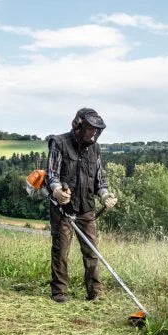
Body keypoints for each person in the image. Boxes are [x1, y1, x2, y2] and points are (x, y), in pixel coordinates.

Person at [45, 108, 118, 303]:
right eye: (89, 128)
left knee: (91, 251)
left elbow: (99, 182)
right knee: (61, 250)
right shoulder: (59, 143)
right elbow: (52, 175)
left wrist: (105, 196)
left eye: (96, 129)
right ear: (78, 126)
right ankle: (59, 292)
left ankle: (95, 292)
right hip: (64, 208)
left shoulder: (95, 149)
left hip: (86, 207)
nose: (93, 133)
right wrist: (58, 191)